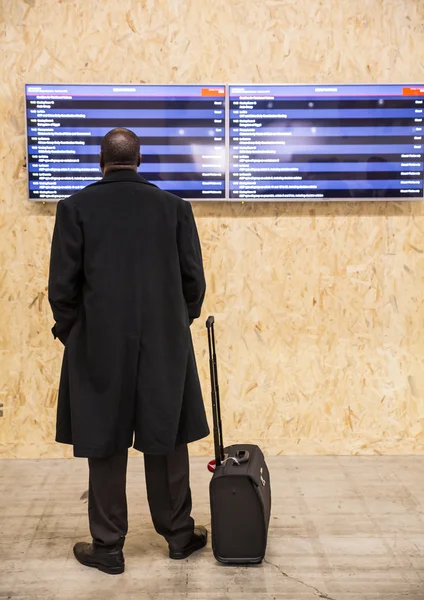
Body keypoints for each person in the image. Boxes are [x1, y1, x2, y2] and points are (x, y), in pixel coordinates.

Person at [48, 128, 210, 575]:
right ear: (140, 159)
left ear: (101, 161)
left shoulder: (74, 208)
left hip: (97, 345)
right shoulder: (175, 209)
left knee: (104, 441)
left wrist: (74, 335)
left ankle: (109, 547)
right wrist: (175, 325)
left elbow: (61, 288)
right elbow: (193, 283)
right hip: (164, 343)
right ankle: (178, 536)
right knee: (168, 438)